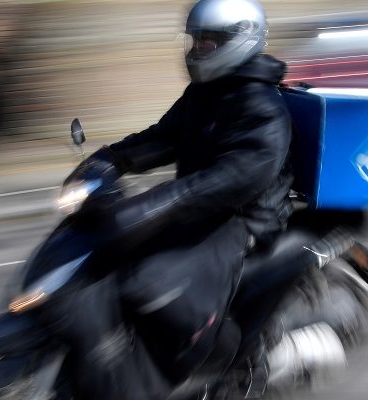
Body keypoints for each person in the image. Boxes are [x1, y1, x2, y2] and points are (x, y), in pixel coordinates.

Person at [39, 0, 293, 398]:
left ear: (239, 40)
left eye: (209, 42)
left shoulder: (262, 107)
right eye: (196, 41)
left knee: (148, 283)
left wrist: (163, 201)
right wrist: (112, 159)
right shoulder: (205, 93)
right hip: (199, 207)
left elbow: (235, 179)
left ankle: (209, 365)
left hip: (243, 221)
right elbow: (164, 137)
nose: (198, 50)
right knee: (107, 253)